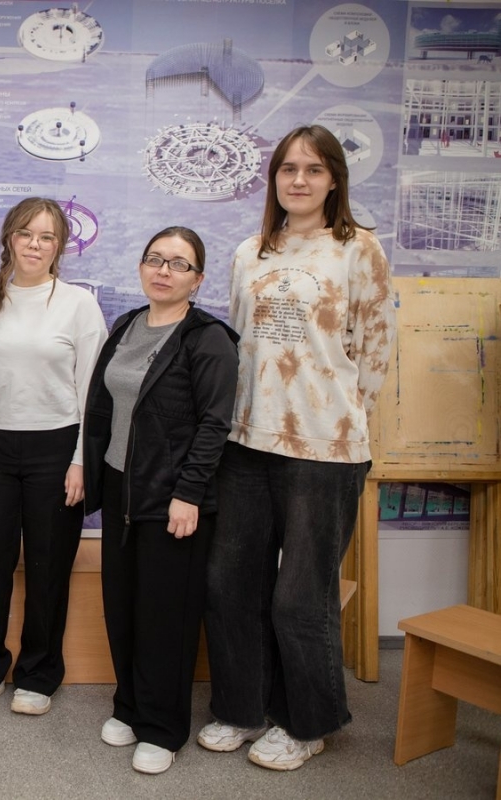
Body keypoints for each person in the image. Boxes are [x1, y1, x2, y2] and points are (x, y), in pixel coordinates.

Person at [200, 125, 396, 770]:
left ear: (334, 179)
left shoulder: (358, 248)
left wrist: (341, 416)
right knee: (231, 584)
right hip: (246, 441)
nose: (300, 180)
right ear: (275, 178)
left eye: (313, 169)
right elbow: (241, 345)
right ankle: (241, 708)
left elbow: (375, 347)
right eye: (288, 168)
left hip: (325, 447)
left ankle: (306, 722)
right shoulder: (250, 251)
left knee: (300, 597)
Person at [83, 227, 238, 774]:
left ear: (198, 279)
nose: (164, 271)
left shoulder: (208, 339)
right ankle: (129, 705)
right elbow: (104, 407)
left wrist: (188, 493)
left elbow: (215, 425)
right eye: (155, 259)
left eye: (178, 263)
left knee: (165, 616)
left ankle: (163, 727)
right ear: (141, 268)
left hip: (173, 497)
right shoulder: (126, 325)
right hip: (122, 487)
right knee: (123, 604)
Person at [0, 197, 105, 716]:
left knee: (48, 566)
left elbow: (91, 395)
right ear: (9, 240)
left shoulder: (79, 305)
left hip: (57, 449)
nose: (34, 245)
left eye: (46, 237)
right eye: (25, 234)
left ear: (60, 247)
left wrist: (81, 461)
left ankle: (39, 674)